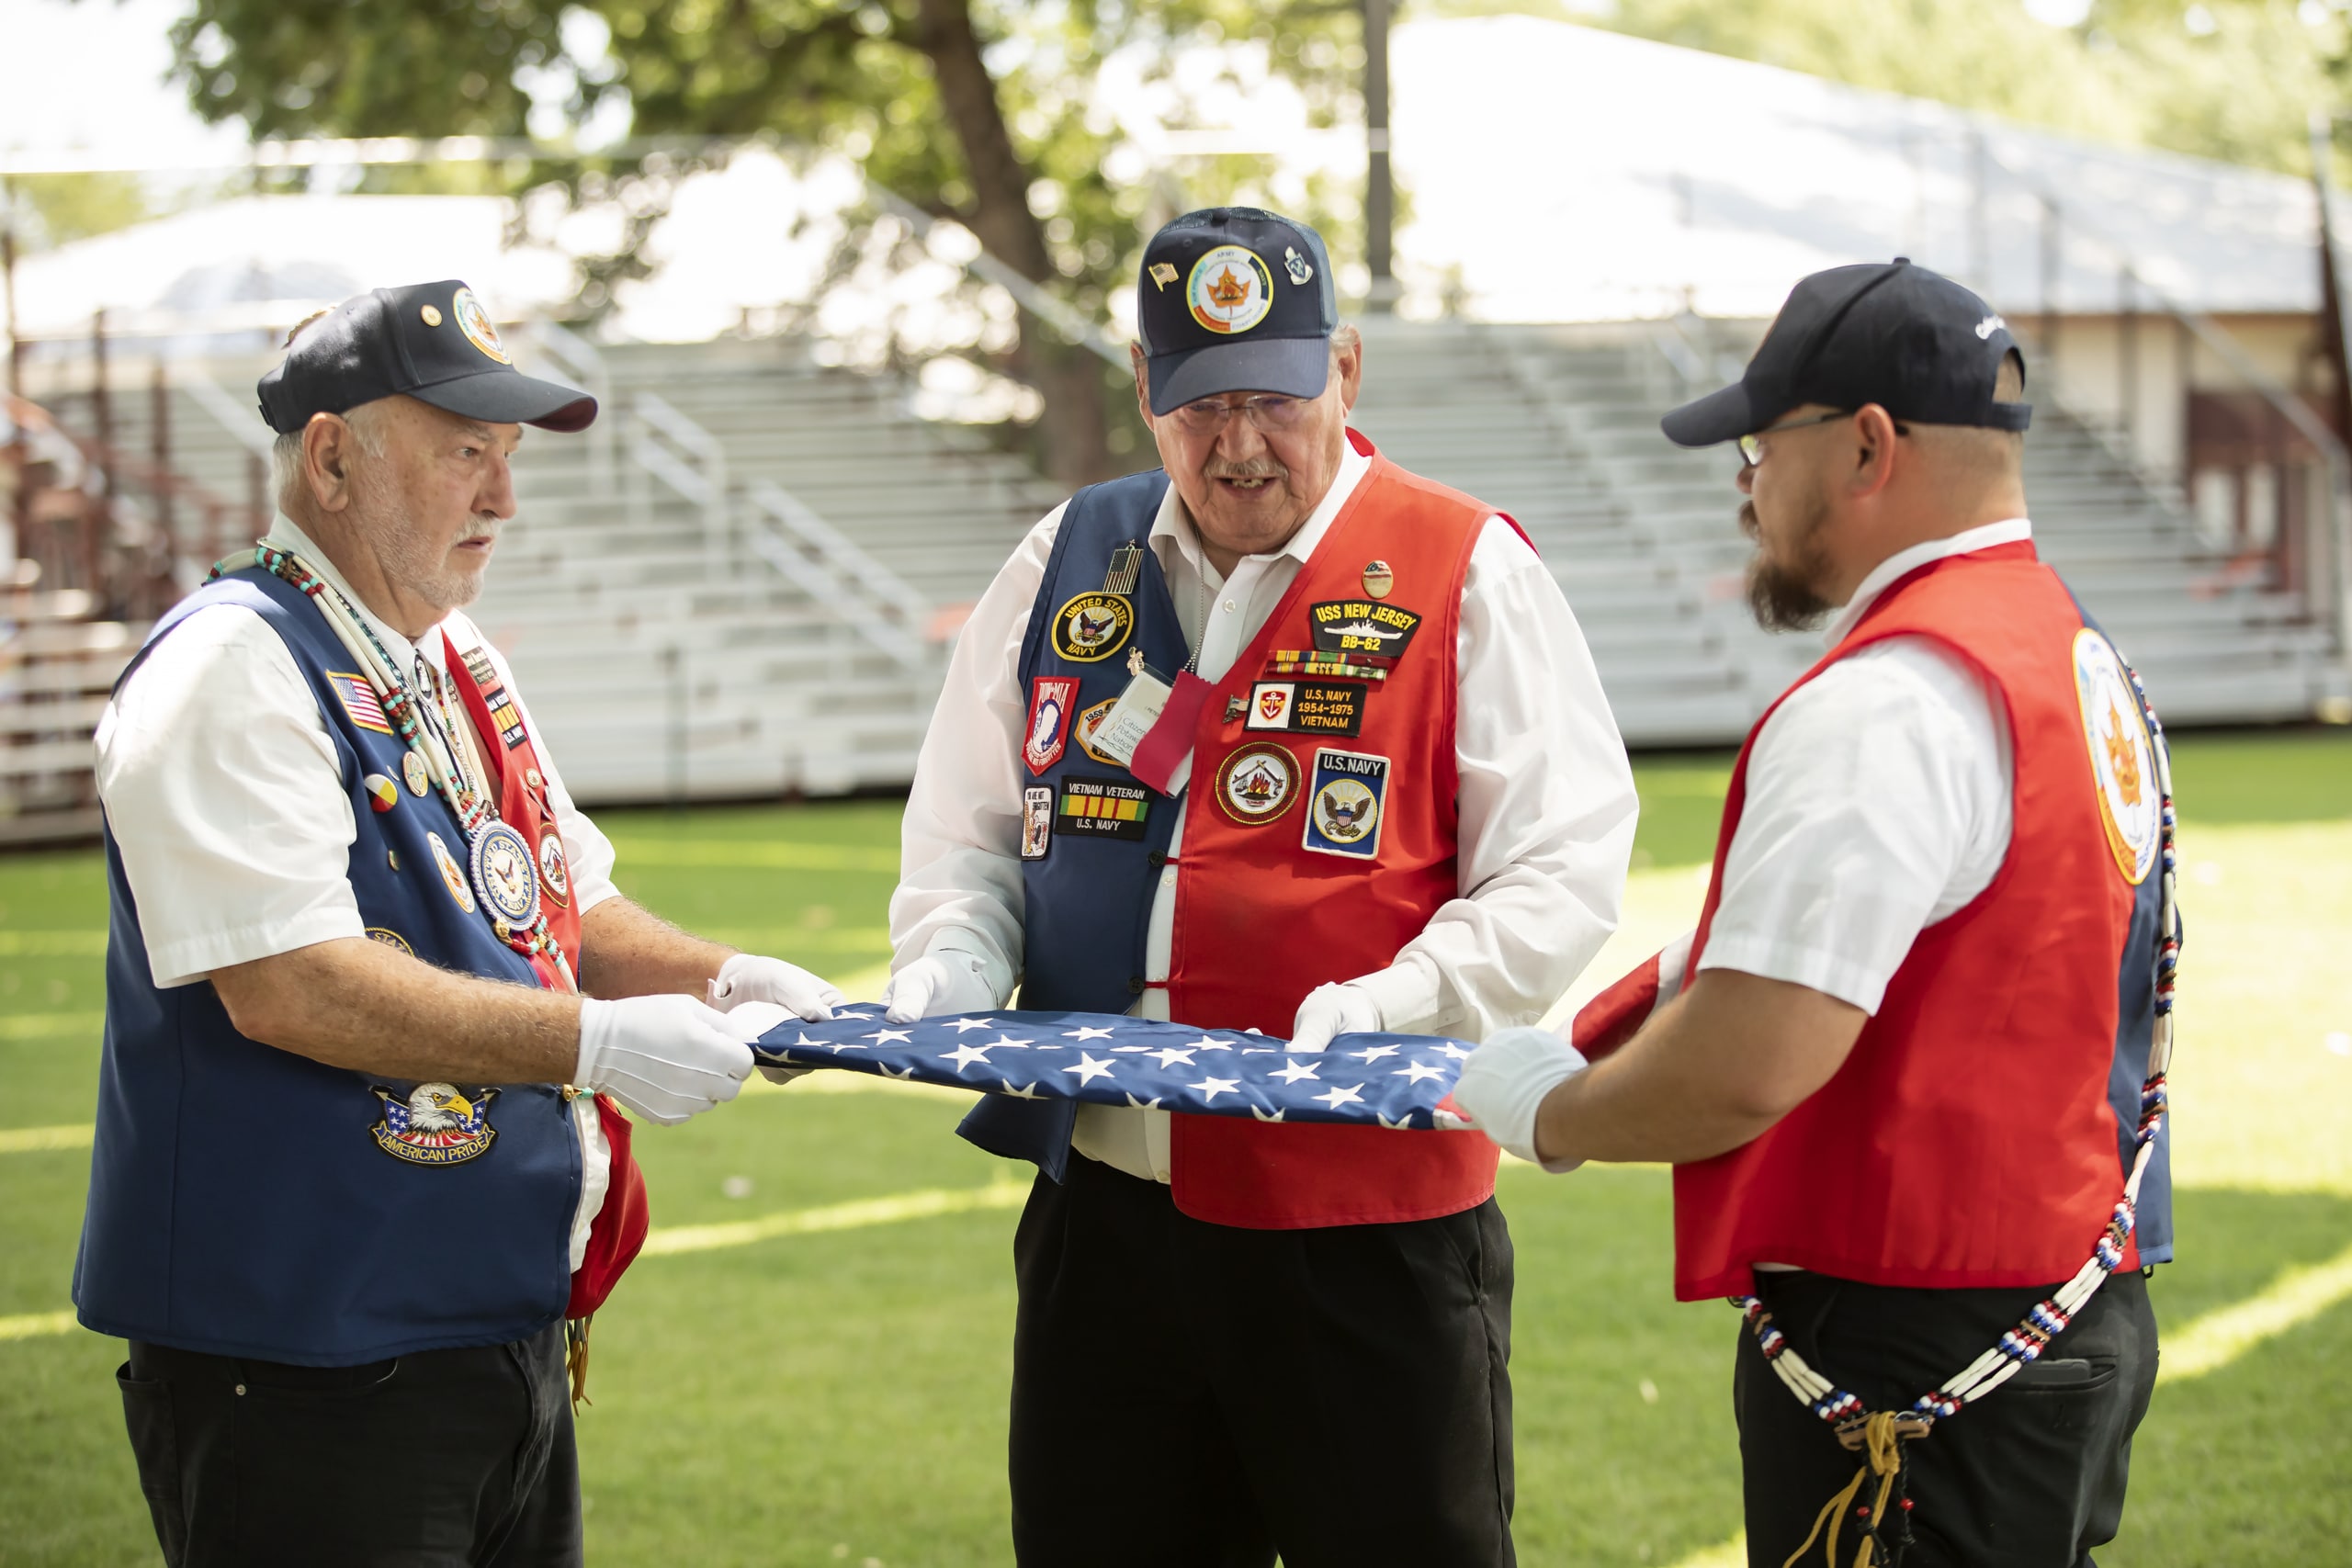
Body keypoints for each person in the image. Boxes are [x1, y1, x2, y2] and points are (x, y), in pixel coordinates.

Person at [887, 208, 1637, 1565]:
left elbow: (1564, 867)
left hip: (1368, 1226)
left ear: (1346, 368)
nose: (1238, 445)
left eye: (1273, 400)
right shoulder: (1065, 559)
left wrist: (1412, 992)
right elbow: (970, 832)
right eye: (1199, 405)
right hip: (1106, 1219)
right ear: (1141, 385)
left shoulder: (1471, 567)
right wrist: (947, 962)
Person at [77, 280, 842, 1568]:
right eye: (464, 454)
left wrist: (728, 980)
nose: (504, 498)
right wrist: (593, 1046)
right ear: (331, 458)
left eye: (508, 455)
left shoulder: (450, 652)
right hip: (307, 1351)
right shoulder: (232, 663)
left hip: (487, 1328)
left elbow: (562, 898)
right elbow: (290, 985)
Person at [1453, 259, 2172, 1568]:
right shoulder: (2065, 648)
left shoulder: (1888, 700)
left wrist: (1542, 1112)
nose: (1744, 482)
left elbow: (1748, 1064)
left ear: (1866, 445)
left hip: (1919, 1340)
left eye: (1758, 443)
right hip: (2058, 1299)